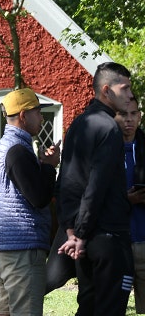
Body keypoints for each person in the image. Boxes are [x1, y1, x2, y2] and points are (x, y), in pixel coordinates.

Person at [58, 62, 135, 315]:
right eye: (124, 89)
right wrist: (79, 232)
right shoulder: (109, 128)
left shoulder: (79, 124)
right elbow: (96, 186)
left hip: (86, 239)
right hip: (108, 237)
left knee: (88, 307)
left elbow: (67, 181)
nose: (130, 95)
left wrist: (73, 231)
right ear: (106, 91)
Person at [0, 88, 61, 315]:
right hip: (23, 250)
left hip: (9, 247)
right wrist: (50, 167)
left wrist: (42, 166)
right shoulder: (17, 150)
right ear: (23, 116)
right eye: (38, 112)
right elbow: (39, 198)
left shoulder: (10, 146)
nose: (41, 118)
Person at [115, 97, 145, 313]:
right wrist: (125, 199)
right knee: (115, 306)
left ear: (140, 117)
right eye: (123, 114)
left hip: (144, 239)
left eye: (133, 114)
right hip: (118, 241)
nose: (129, 120)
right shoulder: (106, 150)